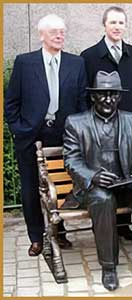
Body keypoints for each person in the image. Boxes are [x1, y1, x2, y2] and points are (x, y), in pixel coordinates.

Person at [63, 70, 132, 291]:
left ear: (119, 97)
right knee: (103, 199)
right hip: (96, 188)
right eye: (103, 94)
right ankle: (109, 267)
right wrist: (93, 176)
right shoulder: (76, 123)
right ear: (93, 96)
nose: (108, 99)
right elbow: (71, 161)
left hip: (126, 183)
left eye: (113, 94)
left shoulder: (130, 120)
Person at [4, 14, 88, 257]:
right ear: (42, 35)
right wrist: (18, 129)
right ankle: (36, 237)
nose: (60, 35)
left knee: (63, 182)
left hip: (65, 135)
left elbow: (82, 101)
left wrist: (79, 132)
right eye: (54, 32)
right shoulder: (24, 63)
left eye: (62, 31)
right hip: (31, 135)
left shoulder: (76, 63)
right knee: (30, 187)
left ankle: (59, 232)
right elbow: (12, 102)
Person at [81, 6, 132, 239]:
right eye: (113, 23)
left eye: (121, 23)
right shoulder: (89, 56)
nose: (117, 27)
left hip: (128, 124)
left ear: (125, 26)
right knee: (107, 171)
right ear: (104, 25)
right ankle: (105, 222)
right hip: (102, 125)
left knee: (126, 168)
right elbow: (85, 92)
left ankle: (123, 225)